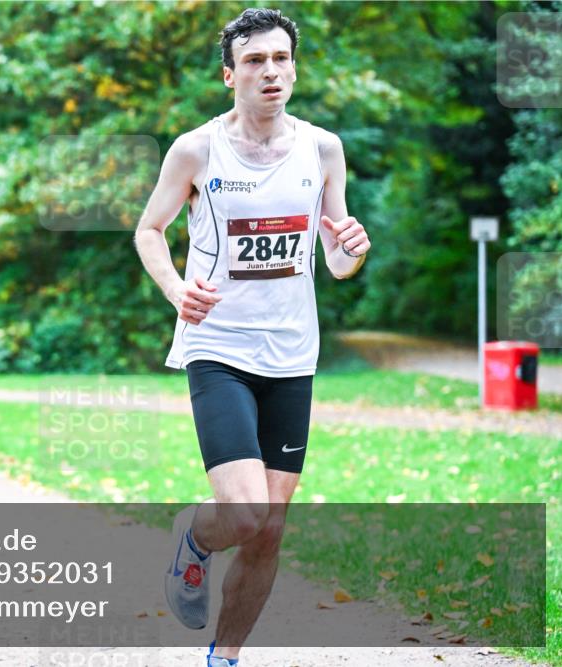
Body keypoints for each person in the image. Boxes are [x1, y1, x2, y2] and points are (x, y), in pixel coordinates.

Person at [133, 8, 370, 666]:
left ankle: (225, 656)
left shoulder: (323, 150)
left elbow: (336, 258)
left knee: (269, 527)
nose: (271, 71)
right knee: (242, 514)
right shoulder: (196, 150)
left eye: (281, 58)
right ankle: (194, 536)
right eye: (255, 60)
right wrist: (176, 289)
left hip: (292, 353)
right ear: (229, 74)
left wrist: (352, 248)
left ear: (294, 67)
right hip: (219, 347)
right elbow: (148, 230)